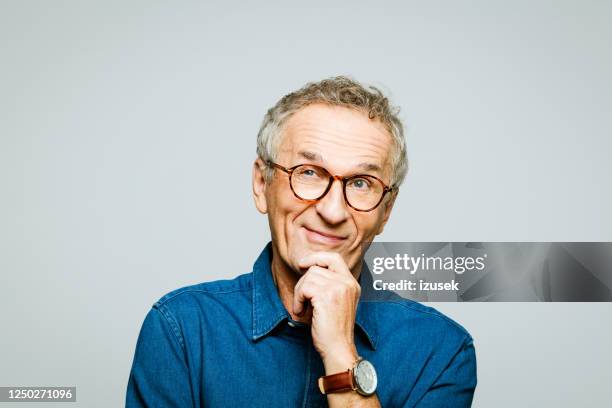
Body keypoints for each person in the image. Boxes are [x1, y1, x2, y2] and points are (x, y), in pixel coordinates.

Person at [126, 76, 477, 407]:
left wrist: (341, 353)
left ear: (386, 211)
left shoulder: (442, 351)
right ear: (262, 185)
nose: (333, 210)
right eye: (308, 173)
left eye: (361, 183)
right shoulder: (182, 329)